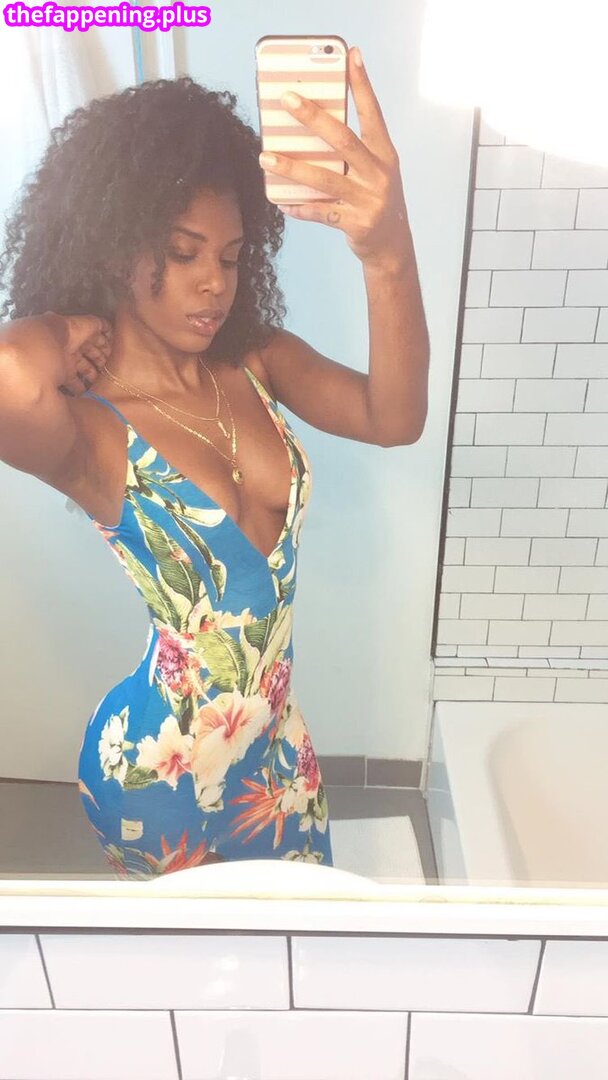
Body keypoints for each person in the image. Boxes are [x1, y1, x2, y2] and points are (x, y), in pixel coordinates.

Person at [0, 46, 429, 880]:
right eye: (183, 252)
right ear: (115, 247)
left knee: (305, 936)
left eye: (230, 258)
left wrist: (388, 252)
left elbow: (394, 417)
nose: (214, 285)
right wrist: (67, 325)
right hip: (156, 773)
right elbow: (11, 377)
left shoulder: (256, 361)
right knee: (196, 961)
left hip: (276, 758)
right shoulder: (92, 428)